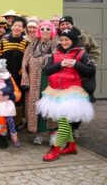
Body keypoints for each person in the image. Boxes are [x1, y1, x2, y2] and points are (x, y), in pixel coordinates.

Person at [38, 29, 95, 161]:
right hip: (55, 91)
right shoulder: (55, 53)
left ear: (73, 40)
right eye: (62, 39)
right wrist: (59, 64)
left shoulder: (81, 53)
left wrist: (76, 64)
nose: (63, 42)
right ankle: (71, 146)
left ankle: (56, 149)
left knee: (63, 122)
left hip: (72, 92)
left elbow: (91, 71)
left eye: (66, 40)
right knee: (63, 120)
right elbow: (46, 70)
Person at [58, 16, 100, 136]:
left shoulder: (84, 35)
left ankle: (75, 127)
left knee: (82, 103)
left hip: (83, 75)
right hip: (67, 76)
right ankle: (66, 129)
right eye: (62, 24)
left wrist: (89, 64)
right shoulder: (58, 37)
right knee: (67, 103)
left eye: (67, 23)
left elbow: (95, 51)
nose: (65, 26)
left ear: (73, 24)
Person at [21, 21, 58, 145]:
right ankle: (38, 134)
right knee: (36, 108)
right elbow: (25, 61)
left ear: (52, 30)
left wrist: (44, 58)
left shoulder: (56, 44)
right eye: (42, 29)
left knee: (50, 108)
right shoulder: (33, 43)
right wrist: (25, 79)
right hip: (34, 82)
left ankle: (53, 135)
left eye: (48, 29)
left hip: (49, 82)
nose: (45, 31)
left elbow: (57, 60)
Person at [0, 16, 28, 125]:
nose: (17, 28)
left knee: (17, 99)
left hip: (19, 76)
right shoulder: (3, 42)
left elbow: (27, 60)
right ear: (11, 27)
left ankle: (15, 124)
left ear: (23, 29)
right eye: (15, 26)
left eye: (19, 26)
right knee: (4, 97)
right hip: (5, 77)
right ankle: (3, 121)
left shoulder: (26, 43)